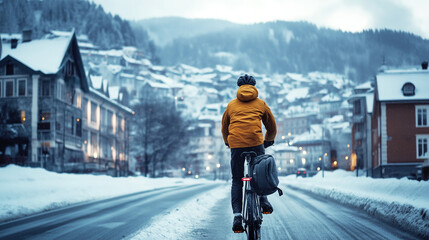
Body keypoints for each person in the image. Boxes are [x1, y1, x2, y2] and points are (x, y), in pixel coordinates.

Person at [221, 74, 277, 233]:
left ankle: (237, 216)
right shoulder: (261, 103)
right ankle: (264, 201)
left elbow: (224, 127)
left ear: (239, 88)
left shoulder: (231, 105)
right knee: (260, 173)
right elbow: (271, 126)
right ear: (254, 87)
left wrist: (228, 142)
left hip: (236, 145)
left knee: (237, 180)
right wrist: (269, 140)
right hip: (256, 143)